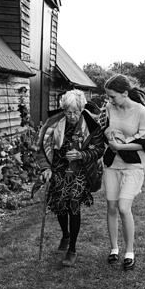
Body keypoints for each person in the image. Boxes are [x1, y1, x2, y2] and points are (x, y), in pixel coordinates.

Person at [38, 90, 107, 268]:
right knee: (61, 206)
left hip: (80, 171)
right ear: (64, 109)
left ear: (82, 108)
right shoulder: (53, 123)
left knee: (73, 205)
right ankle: (65, 235)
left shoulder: (91, 125)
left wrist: (81, 154)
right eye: (68, 112)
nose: (72, 116)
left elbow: (99, 150)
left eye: (76, 112)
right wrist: (46, 168)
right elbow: (42, 147)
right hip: (59, 169)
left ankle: (72, 249)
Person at [100, 74, 145, 271]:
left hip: (134, 165)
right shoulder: (109, 108)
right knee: (111, 207)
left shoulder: (141, 111)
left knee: (123, 207)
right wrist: (108, 135)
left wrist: (120, 147)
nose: (109, 100)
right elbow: (105, 129)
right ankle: (114, 248)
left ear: (125, 93)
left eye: (112, 96)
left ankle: (129, 251)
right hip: (113, 164)